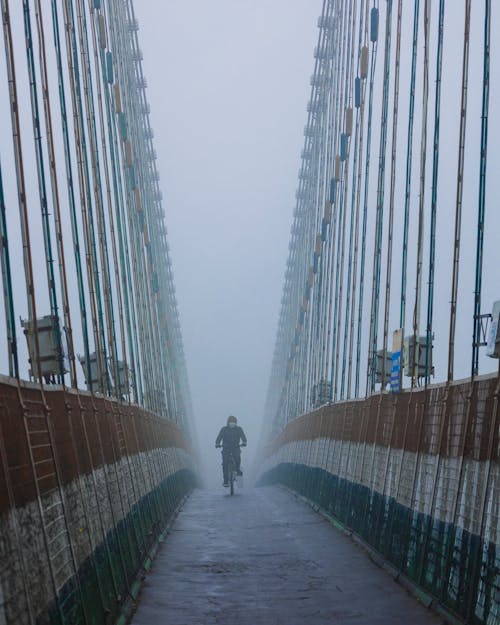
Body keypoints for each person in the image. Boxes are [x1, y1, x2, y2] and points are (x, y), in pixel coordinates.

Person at [215, 415, 247, 487]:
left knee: (237, 458)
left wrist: (244, 442)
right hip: (226, 448)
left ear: (236, 423)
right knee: (225, 463)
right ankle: (225, 481)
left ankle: (237, 470)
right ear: (228, 422)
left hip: (236, 447)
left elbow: (243, 436)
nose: (232, 423)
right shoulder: (224, 429)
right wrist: (217, 443)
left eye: (233, 422)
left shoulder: (239, 429)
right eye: (231, 422)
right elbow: (219, 437)